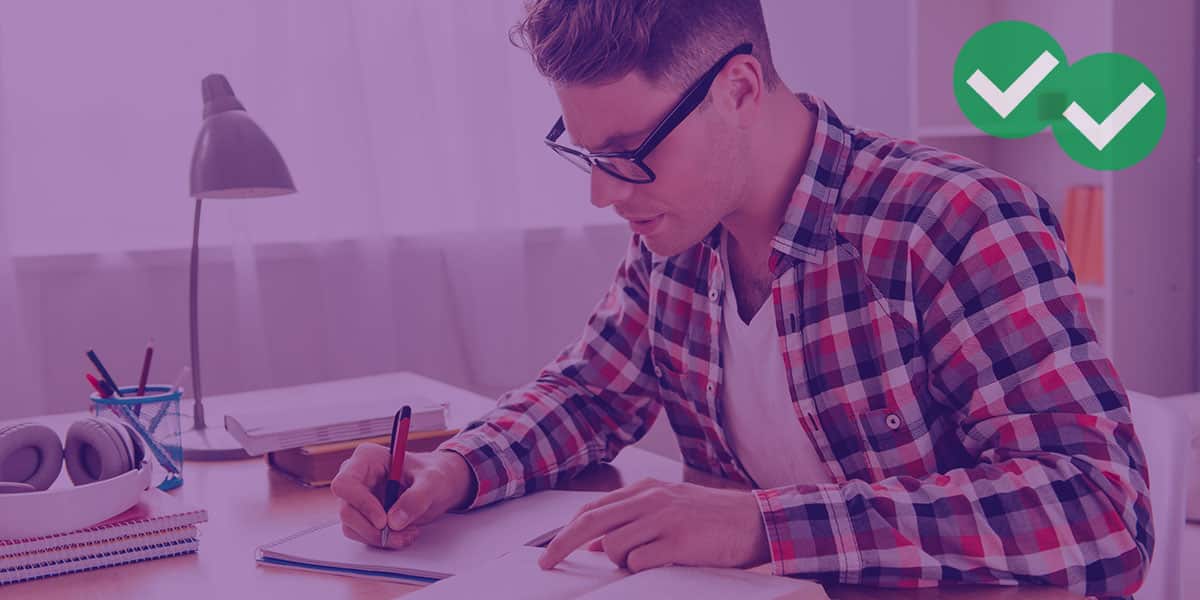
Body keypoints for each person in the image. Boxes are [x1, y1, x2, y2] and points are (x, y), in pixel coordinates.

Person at [331, 1, 1152, 596]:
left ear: (740, 91)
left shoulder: (955, 220)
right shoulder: (679, 238)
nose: (604, 196)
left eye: (629, 152)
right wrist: (452, 469)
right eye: (589, 157)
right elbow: (587, 396)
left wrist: (762, 524)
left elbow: (1100, 512)